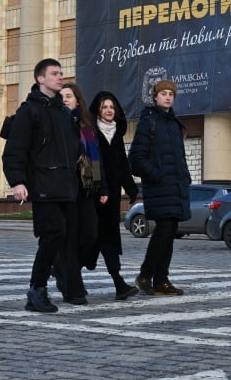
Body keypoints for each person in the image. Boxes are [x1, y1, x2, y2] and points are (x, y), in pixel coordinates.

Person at [1, 58, 87, 312]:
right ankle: (36, 290)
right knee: (52, 235)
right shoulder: (29, 111)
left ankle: (64, 281)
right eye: (54, 73)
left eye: (61, 73)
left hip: (67, 186)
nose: (60, 77)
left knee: (69, 237)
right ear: (41, 79)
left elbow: (73, 147)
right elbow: (14, 151)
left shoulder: (63, 112)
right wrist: (17, 181)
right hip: (43, 185)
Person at [128, 79, 191, 296]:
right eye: (163, 93)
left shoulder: (174, 124)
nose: (167, 97)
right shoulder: (149, 121)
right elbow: (136, 158)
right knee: (163, 231)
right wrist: (157, 175)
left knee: (169, 232)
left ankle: (161, 280)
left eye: (171, 94)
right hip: (159, 187)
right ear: (155, 97)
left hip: (175, 187)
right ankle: (146, 275)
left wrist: (185, 178)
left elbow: (179, 158)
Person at [52, 82, 108, 305]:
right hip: (65, 190)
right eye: (62, 96)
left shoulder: (87, 126)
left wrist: (101, 187)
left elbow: (96, 159)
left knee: (90, 236)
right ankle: (74, 288)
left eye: (69, 96)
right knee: (70, 239)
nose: (65, 99)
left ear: (77, 100)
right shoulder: (56, 123)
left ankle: (60, 266)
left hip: (85, 190)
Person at [89, 90, 140, 300]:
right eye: (104, 107)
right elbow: (92, 164)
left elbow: (122, 165)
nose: (109, 110)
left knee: (106, 238)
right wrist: (100, 189)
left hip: (112, 199)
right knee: (90, 238)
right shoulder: (89, 132)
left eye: (111, 107)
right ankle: (62, 270)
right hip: (94, 196)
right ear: (97, 111)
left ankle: (119, 284)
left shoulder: (117, 133)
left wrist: (132, 188)